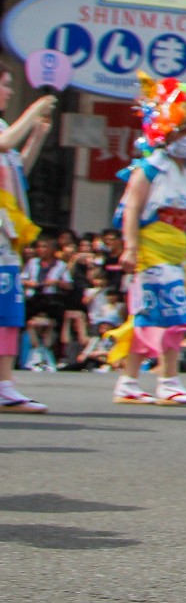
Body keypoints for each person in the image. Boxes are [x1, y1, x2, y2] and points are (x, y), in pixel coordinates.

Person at [106, 78, 186, 407]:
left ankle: (128, 381)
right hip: (151, 248)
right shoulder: (151, 167)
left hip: (176, 249)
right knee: (172, 315)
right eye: (182, 131)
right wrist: (131, 247)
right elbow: (132, 208)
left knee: (148, 316)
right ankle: (168, 380)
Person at [0, 80, 57, 412]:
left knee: (7, 312)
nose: (8, 90)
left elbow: (17, 170)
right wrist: (34, 109)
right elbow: (4, 144)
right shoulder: (6, 130)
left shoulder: (6, 126)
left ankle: (5, 384)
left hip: (6, 233)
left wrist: (37, 136)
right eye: (5, 85)